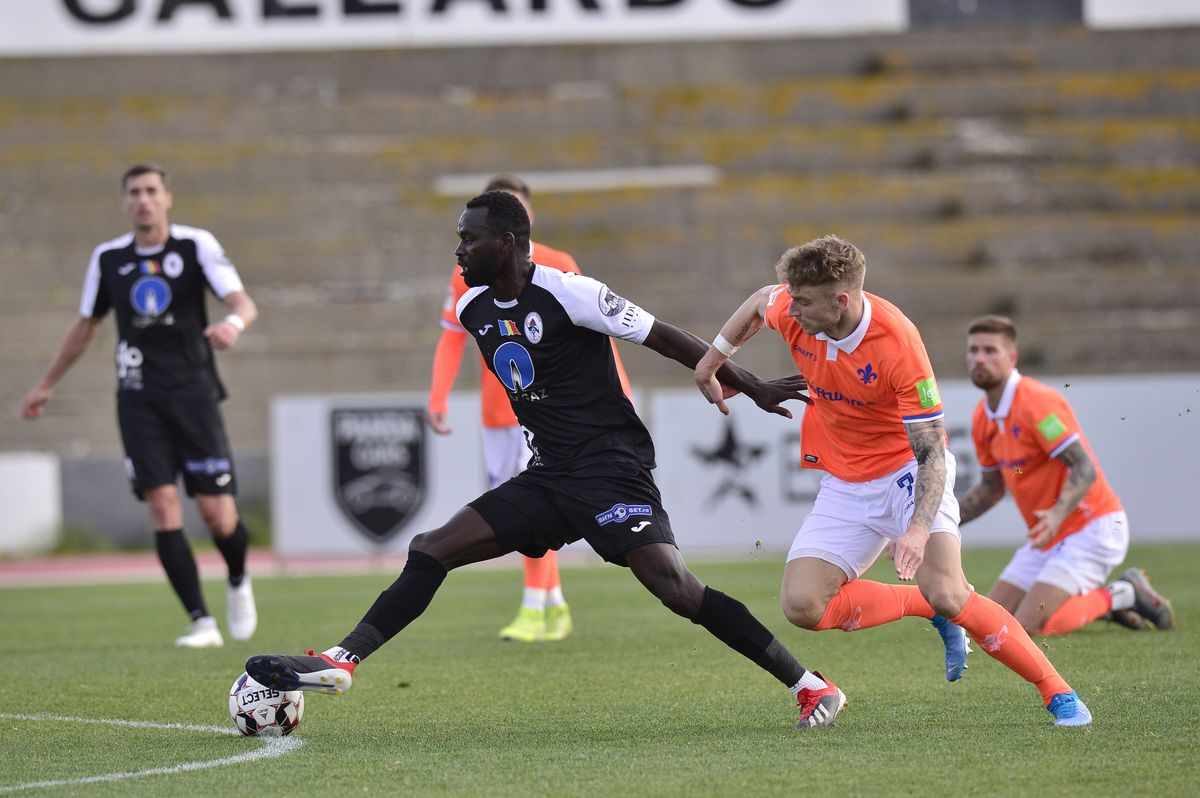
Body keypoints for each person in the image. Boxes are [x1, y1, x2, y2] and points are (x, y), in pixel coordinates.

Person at [246, 191, 849, 729]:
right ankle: (341, 660)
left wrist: (743, 382)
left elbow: (663, 335)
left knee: (676, 589)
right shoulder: (472, 308)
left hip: (611, 468)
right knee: (431, 548)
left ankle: (810, 686)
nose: (458, 249)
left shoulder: (569, 291)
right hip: (549, 476)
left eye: (468, 238)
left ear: (506, 242)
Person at [693, 234, 1092, 727]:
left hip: (908, 473)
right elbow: (757, 302)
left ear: (842, 300)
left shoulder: (898, 345)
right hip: (844, 480)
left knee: (950, 591)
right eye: (790, 296)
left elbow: (931, 456)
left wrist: (918, 530)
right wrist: (711, 362)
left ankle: (1057, 692)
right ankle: (923, 607)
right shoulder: (790, 306)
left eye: (803, 300)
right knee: (803, 605)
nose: (790, 309)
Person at [20, 163, 259, 649]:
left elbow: (243, 302)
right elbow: (86, 325)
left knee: (219, 517)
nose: (143, 199)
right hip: (138, 398)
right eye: (134, 192)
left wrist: (233, 324)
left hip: (194, 395)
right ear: (125, 201)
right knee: (162, 503)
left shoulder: (195, 246)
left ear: (167, 197)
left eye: (152, 191)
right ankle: (201, 622)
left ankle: (237, 576)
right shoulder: (108, 258)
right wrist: (45, 384)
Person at [427, 174, 632, 643]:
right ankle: (555, 604)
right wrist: (438, 396)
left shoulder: (559, 265)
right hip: (497, 411)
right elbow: (451, 334)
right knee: (519, 509)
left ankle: (534, 605)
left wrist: (619, 389)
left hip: (552, 413)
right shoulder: (469, 271)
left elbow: (596, 333)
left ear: (526, 219)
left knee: (536, 504)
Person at [959, 315, 1175, 635]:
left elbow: (1083, 466)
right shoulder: (982, 417)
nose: (980, 358)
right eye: (974, 350)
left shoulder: (1036, 403)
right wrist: (934, 525)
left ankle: (1124, 592)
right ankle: (1092, 602)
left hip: (1092, 526)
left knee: (1028, 626)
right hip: (1049, 535)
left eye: (990, 350)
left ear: (1012, 358)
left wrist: (1058, 513)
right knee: (990, 626)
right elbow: (991, 489)